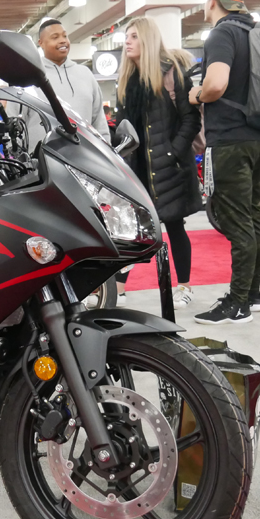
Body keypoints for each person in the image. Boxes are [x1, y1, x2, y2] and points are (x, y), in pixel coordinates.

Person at [189, 0, 260, 325]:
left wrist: (197, 94)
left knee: (237, 223)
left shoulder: (222, 33)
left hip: (230, 141)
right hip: (256, 137)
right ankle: (253, 294)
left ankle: (238, 304)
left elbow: (217, 83)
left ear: (212, 1)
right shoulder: (255, 34)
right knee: (253, 217)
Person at [113, 17, 202, 309]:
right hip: (138, 170)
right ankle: (118, 288)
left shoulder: (170, 74)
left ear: (148, 40)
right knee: (133, 230)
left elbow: (191, 118)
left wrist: (172, 153)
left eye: (134, 36)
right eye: (127, 36)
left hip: (171, 168)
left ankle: (185, 287)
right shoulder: (126, 82)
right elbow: (123, 127)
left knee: (176, 226)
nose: (128, 41)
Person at [13, 19, 110, 144]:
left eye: (65, 36)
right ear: (41, 43)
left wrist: (107, 150)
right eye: (55, 37)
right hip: (41, 160)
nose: (63, 40)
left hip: (84, 160)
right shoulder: (28, 76)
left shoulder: (86, 74)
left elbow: (99, 122)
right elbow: (14, 121)